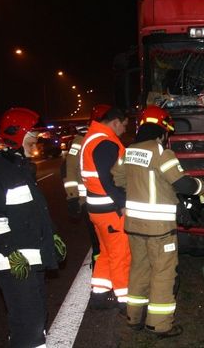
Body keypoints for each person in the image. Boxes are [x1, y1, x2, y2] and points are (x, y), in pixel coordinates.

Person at [124, 105, 204, 338]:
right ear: (162, 132)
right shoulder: (161, 152)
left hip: (134, 226)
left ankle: (134, 318)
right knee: (163, 273)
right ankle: (159, 325)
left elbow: (118, 178)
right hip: (159, 228)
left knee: (139, 270)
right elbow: (183, 184)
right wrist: (202, 186)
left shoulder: (129, 151)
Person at [0, 107, 66, 348]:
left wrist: (51, 234)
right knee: (28, 323)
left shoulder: (21, 167)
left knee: (36, 317)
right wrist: (10, 251)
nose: (37, 138)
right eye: (32, 133)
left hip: (31, 256)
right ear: (17, 134)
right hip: (13, 260)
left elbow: (35, 211)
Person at [79, 106, 129, 312]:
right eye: (124, 125)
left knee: (107, 252)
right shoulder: (105, 142)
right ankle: (125, 302)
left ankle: (99, 296)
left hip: (97, 208)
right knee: (121, 255)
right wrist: (122, 203)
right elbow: (108, 179)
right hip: (110, 209)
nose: (125, 130)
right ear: (115, 121)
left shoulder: (92, 137)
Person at [61, 104, 110, 267]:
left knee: (106, 240)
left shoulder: (103, 138)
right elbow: (70, 168)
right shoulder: (81, 140)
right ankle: (99, 268)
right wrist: (73, 198)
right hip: (87, 200)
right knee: (97, 241)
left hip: (104, 199)